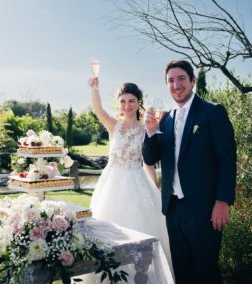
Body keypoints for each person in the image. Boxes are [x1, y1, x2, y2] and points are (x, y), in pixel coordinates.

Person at [143, 60, 237, 283]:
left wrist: (222, 201)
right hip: (173, 209)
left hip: (204, 209)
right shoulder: (164, 120)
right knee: (183, 273)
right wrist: (150, 132)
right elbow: (150, 158)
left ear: (192, 81)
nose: (176, 85)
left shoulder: (212, 112)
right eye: (171, 80)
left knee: (206, 271)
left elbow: (227, 159)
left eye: (181, 78)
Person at [86, 77, 173, 280]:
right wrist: (95, 87)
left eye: (131, 101)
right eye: (123, 101)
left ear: (139, 102)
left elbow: (148, 163)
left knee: (141, 230)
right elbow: (98, 110)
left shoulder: (146, 129)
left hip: (137, 183)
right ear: (119, 103)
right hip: (111, 184)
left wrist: (155, 190)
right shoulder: (113, 126)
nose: (127, 105)